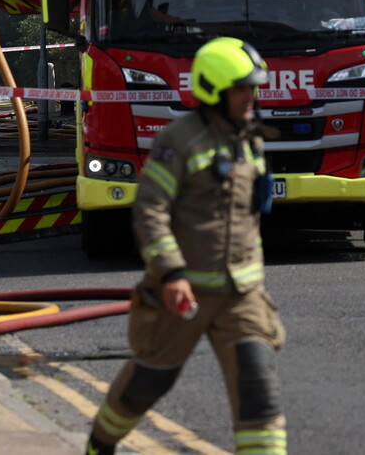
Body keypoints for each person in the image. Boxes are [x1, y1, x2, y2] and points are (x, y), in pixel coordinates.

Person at [85, 37, 287, 455]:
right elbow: (149, 211)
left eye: (254, 87)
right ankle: (99, 446)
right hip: (184, 293)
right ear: (214, 90)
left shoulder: (252, 140)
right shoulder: (180, 141)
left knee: (258, 388)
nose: (251, 96)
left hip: (241, 297)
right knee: (149, 382)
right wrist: (172, 274)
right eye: (242, 88)